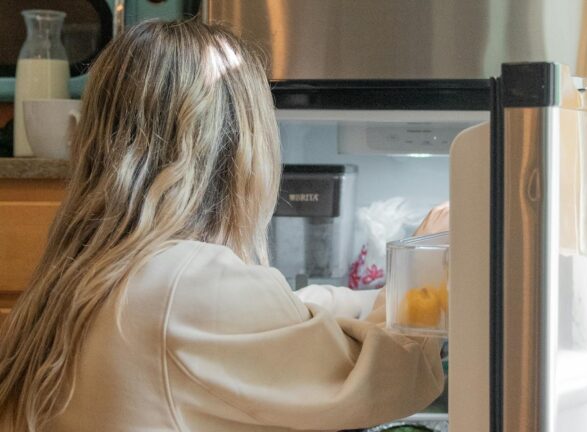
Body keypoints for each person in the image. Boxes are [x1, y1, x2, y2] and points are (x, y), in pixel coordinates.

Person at [0, 20, 446, 432]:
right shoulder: (186, 281)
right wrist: (429, 259)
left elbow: (292, 310)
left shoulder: (100, 272)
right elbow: (374, 379)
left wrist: (379, 298)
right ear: (240, 151)